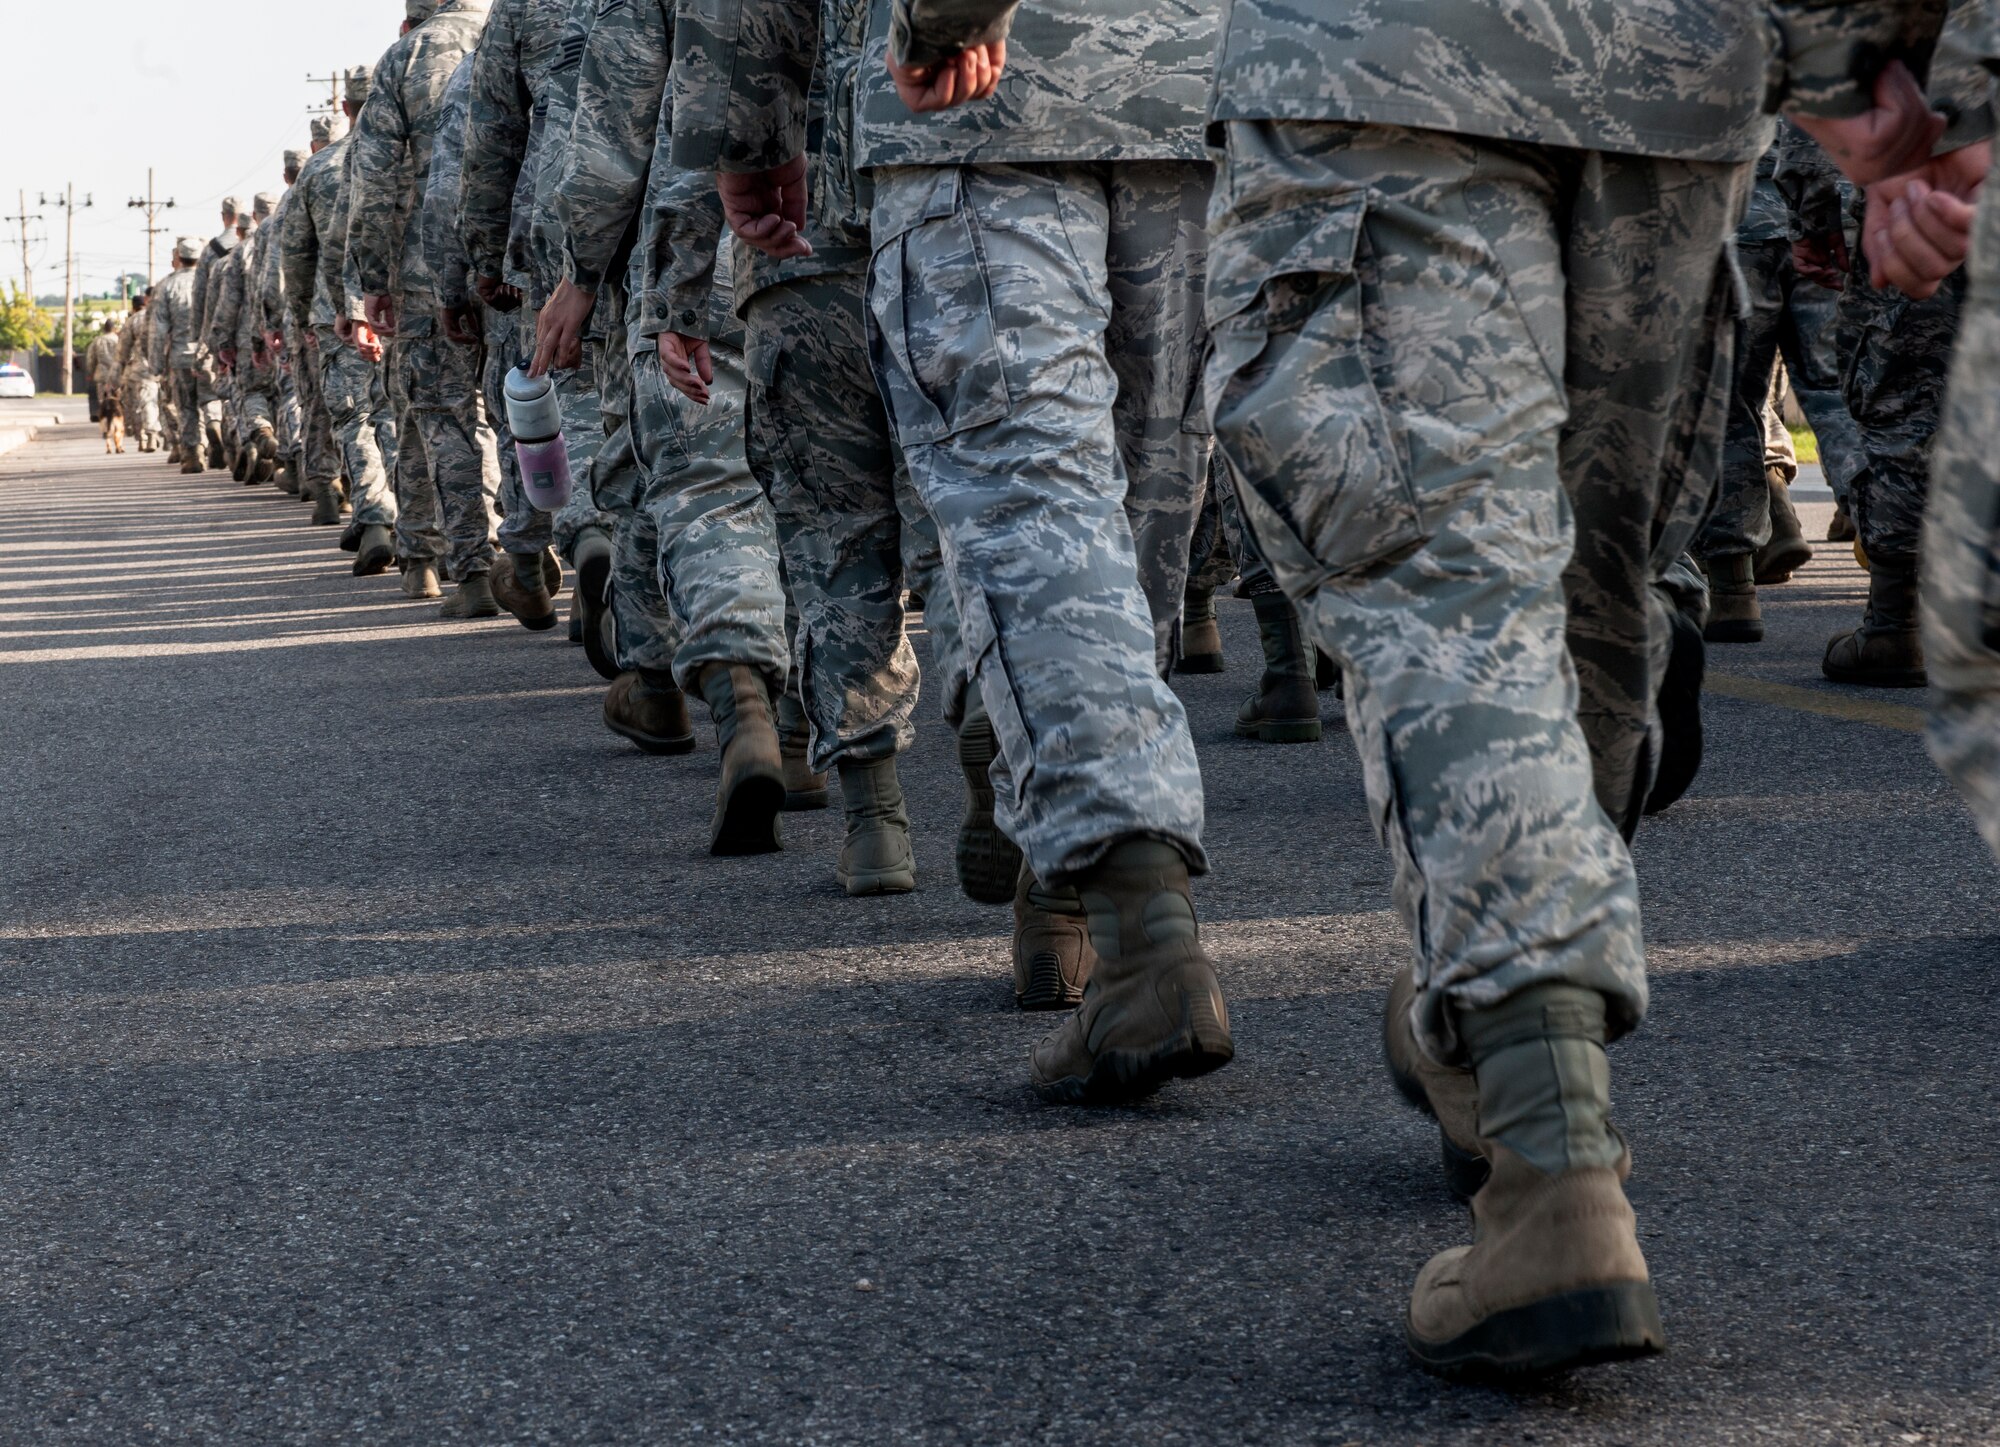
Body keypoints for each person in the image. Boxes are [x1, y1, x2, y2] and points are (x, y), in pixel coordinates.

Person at [677, 0, 1235, 1079]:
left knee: (1034, 497)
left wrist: (751, 131)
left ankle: (1137, 922)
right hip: (1191, 91)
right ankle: (1069, 849)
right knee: (1147, 488)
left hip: (977, 97)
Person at [348, 0, 498, 604]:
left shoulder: (405, 57)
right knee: (529, 410)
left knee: (441, 416)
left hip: (429, 267)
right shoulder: (519, 28)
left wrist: (373, 279)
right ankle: (544, 552)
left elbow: (376, 180)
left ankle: (472, 567)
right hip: (524, 259)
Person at [282, 66, 403, 573]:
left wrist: (305, 316)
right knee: (399, 416)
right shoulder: (409, 152)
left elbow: (297, 256)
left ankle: (374, 515)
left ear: (346, 109)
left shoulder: (319, 169)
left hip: (338, 318)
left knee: (354, 419)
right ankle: (424, 528)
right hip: (404, 308)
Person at [150, 238, 209, 475]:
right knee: (212, 400)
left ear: (178, 257)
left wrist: (156, 364)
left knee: (186, 407)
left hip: (180, 356)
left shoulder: (166, 286)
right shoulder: (209, 280)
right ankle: (216, 429)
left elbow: (158, 330)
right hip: (208, 355)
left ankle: (192, 454)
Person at [84, 314, 125, 455]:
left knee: (104, 404)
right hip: (117, 375)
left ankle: (106, 427)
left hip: (101, 375)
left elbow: (91, 358)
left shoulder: (97, 341)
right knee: (118, 404)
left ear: (104, 329)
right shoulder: (118, 339)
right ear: (114, 328)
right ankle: (118, 428)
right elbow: (125, 355)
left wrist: (90, 371)